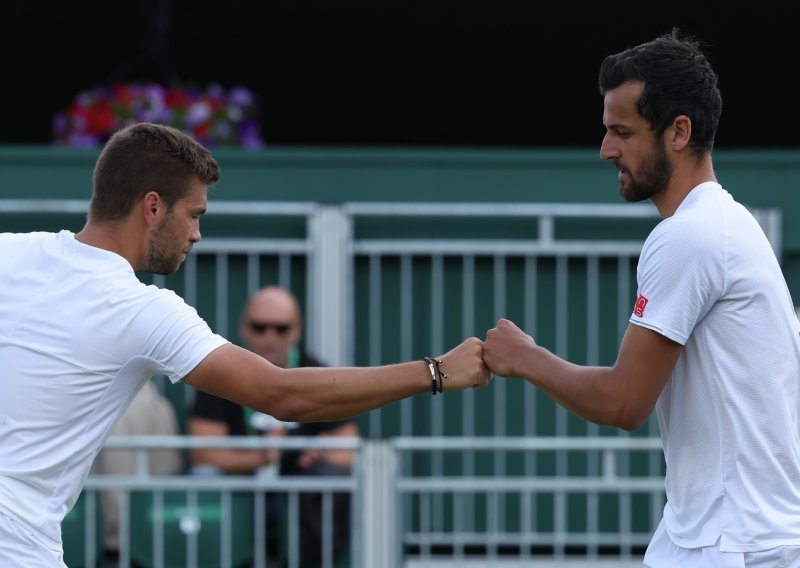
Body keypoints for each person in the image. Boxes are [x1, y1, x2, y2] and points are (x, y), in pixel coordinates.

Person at [0, 121, 492, 567]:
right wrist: (438, 371)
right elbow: (283, 395)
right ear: (152, 207)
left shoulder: (9, 252)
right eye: (194, 215)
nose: (197, 234)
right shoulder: (143, 309)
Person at [483, 29, 800, 567]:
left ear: (679, 132)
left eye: (621, 133)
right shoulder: (726, 224)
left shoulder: (689, 236)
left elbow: (623, 402)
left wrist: (523, 357)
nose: (606, 150)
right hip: (717, 536)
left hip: (733, 547)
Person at [189, 285, 359, 566]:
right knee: (203, 478)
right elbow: (203, 455)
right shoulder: (219, 372)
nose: (270, 337)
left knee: (332, 480)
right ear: (244, 328)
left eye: (281, 328)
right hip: (239, 490)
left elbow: (347, 449)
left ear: (297, 330)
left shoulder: (315, 371)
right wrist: (265, 457)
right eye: (260, 327)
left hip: (299, 494)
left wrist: (317, 453)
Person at [90, 378, 183, 562]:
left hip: (119, 544)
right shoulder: (158, 401)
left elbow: (117, 487)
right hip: (150, 539)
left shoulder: (117, 403)